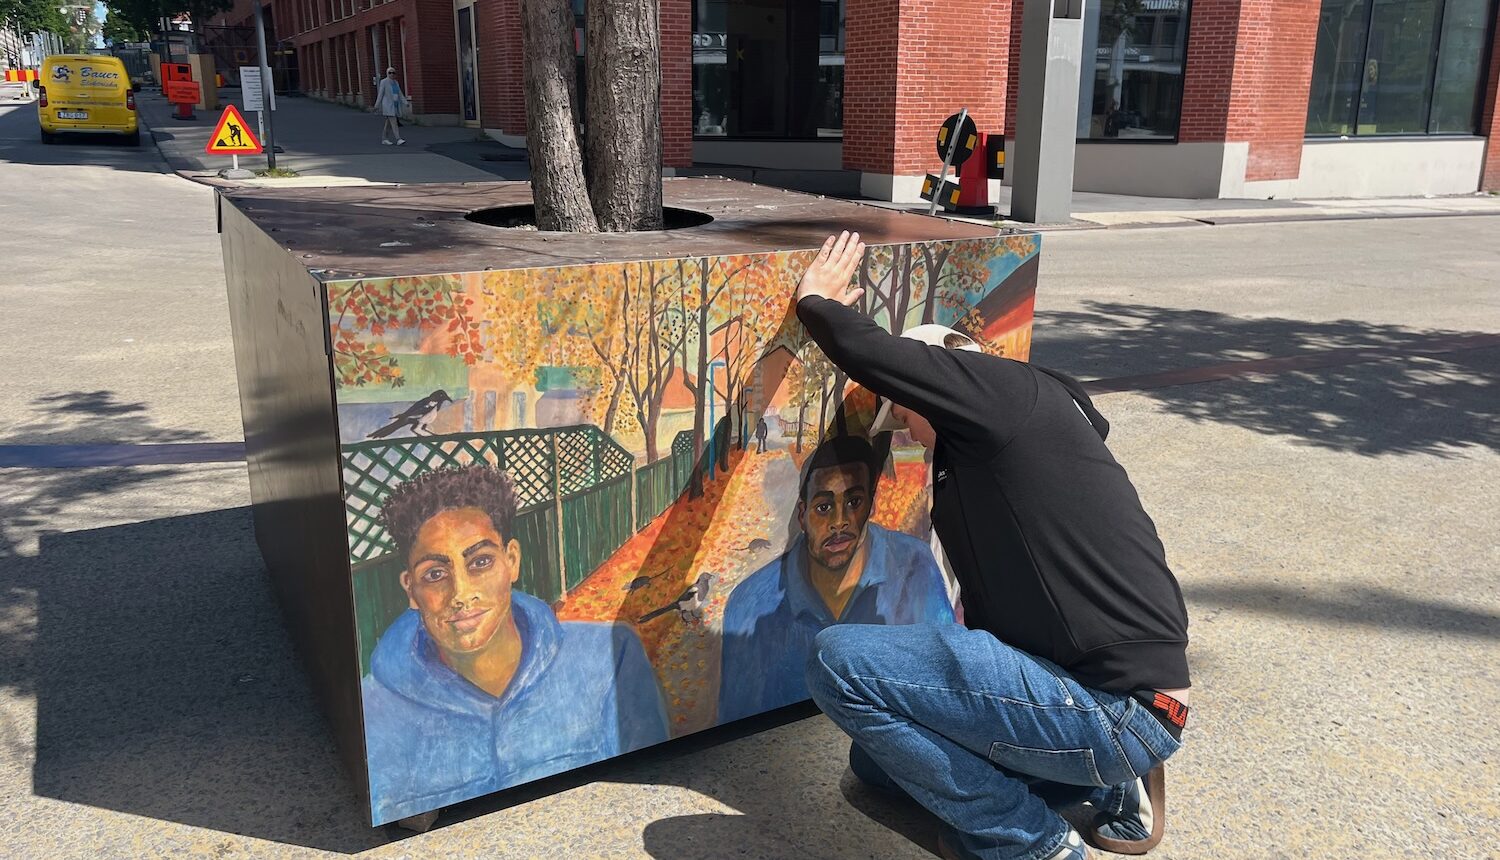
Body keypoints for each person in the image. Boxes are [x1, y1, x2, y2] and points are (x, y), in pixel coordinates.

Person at [794, 233, 1191, 860]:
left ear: (930, 390)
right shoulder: (1018, 442)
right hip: (1098, 695)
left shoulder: (1002, 396)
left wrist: (817, 303)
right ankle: (1106, 782)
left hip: (1115, 706)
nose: (907, 433)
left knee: (837, 663)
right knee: (875, 763)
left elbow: (871, 351)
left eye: (903, 415)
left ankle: (1034, 844)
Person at [360, 465, 668, 825]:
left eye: (480, 562)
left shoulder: (608, 658)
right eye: (435, 574)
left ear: (512, 561)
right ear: (410, 589)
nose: (461, 594)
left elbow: (652, 794)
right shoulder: (376, 709)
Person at [718, 435, 953, 724]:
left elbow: (945, 681)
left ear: (871, 505)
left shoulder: (913, 566)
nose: (840, 521)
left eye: (854, 502)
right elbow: (739, 729)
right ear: (802, 515)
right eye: (824, 507)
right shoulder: (750, 605)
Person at [372, 67, 406, 146]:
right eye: (390, 73)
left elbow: (400, 93)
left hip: (395, 105)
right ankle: (398, 139)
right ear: (387, 73)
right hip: (388, 105)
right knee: (394, 122)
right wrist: (376, 105)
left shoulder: (396, 83)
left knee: (388, 124)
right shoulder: (384, 82)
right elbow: (380, 94)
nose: (391, 74)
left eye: (393, 73)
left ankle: (384, 139)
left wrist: (405, 102)